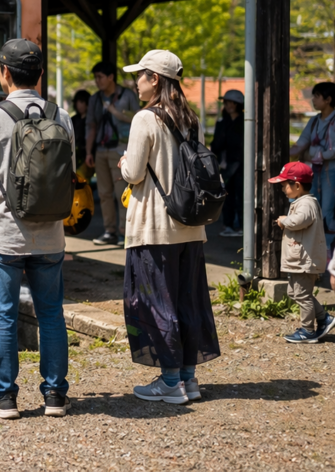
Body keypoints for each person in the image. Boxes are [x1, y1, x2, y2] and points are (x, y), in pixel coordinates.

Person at [0, 38, 74, 420]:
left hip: (5, 235)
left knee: (3, 316)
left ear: (5, 73)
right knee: (51, 315)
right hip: (51, 236)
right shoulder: (63, 116)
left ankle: (5, 397)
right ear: (40, 74)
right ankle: (55, 397)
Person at [119, 50, 220, 404]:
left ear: (156, 79)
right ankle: (189, 380)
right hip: (191, 227)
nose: (136, 81)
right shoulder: (190, 119)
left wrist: (122, 163)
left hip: (155, 226)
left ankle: (170, 382)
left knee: (157, 302)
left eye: (141, 75)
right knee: (186, 302)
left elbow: (133, 173)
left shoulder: (145, 119)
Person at [268, 162, 335, 343]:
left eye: (285, 185)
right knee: (295, 293)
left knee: (302, 295)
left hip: (306, 260)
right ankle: (324, 318)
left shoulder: (307, 203)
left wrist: (285, 220)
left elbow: (301, 220)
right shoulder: (302, 201)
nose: (283, 189)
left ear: (297, 185)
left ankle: (308, 330)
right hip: (301, 259)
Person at [85, 61, 139, 247]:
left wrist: (115, 112)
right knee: (104, 193)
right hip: (100, 150)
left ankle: (126, 232)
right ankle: (110, 231)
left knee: (121, 193)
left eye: (100, 77)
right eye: (96, 77)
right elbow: (91, 125)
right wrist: (88, 151)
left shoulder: (127, 95)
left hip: (121, 149)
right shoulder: (95, 99)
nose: (97, 81)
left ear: (110, 77)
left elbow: (137, 119)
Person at [289, 82, 335, 249]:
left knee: (327, 209)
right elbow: (302, 143)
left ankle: (328, 248)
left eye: (316, 96)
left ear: (328, 100)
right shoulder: (313, 121)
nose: (313, 99)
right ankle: (313, 246)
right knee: (312, 207)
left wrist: (323, 155)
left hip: (332, 171)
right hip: (313, 171)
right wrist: (289, 152)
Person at [211, 89, 245, 237]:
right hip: (225, 165)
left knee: (241, 196)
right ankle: (228, 225)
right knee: (227, 195)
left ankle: (242, 226)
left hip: (241, 165)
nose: (229, 105)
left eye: (233, 102)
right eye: (227, 102)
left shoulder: (245, 122)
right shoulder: (222, 123)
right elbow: (216, 145)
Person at [71, 89, 92, 174]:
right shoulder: (73, 120)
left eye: (82, 102)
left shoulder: (92, 121)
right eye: (78, 102)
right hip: (75, 155)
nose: (79, 105)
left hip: (88, 156)